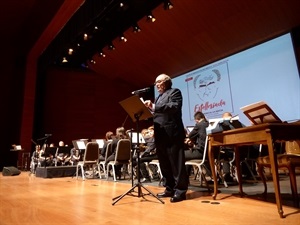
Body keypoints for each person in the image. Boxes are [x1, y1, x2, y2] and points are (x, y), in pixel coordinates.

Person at [144, 73, 189, 203]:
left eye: (159, 82)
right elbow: (159, 113)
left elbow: (174, 107)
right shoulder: (158, 97)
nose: (156, 84)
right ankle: (169, 188)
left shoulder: (174, 92)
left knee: (176, 163)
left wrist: (153, 106)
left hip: (172, 133)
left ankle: (180, 192)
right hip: (161, 134)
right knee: (164, 164)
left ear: (166, 82)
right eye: (156, 83)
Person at [184, 111, 209, 176]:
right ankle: (212, 175)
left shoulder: (199, 125)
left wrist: (189, 140)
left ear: (196, 120)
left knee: (181, 154)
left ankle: (184, 178)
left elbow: (190, 136)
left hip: (200, 152)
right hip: (209, 153)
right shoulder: (209, 124)